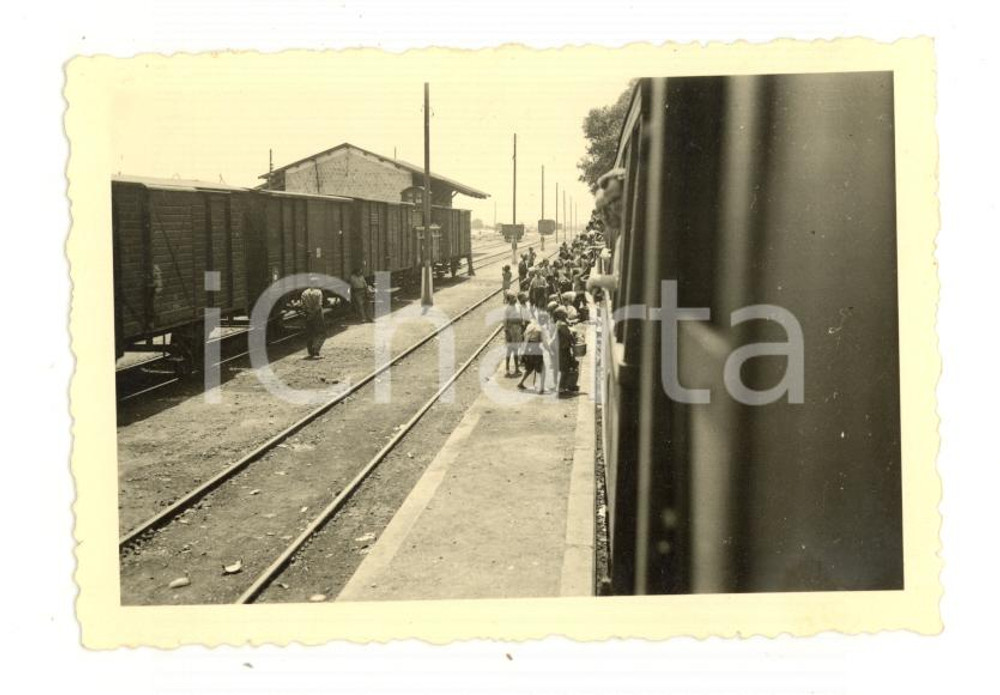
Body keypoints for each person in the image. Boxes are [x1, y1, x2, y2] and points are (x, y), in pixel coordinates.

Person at [518, 311, 550, 394]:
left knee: (529, 367)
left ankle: (520, 383)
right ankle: (541, 389)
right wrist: (550, 351)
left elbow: (524, 336)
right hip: (535, 349)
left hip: (527, 349)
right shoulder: (541, 329)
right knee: (543, 369)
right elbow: (545, 343)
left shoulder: (530, 325)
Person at [553, 306, 580, 397]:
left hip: (563, 348)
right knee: (565, 369)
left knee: (568, 366)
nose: (566, 313)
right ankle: (561, 388)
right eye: (564, 313)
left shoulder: (559, 322)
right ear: (561, 315)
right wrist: (574, 339)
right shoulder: (562, 325)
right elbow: (568, 335)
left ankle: (568, 385)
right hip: (563, 349)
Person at [300, 280, 326, 359]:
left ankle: (310, 352)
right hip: (317, 314)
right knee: (321, 333)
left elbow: (303, 305)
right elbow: (319, 305)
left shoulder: (304, 293)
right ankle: (316, 351)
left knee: (310, 333)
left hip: (308, 314)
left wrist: (309, 313)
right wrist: (314, 313)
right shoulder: (318, 292)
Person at [503, 293, 523, 377]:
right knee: (509, 350)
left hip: (517, 330)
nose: (514, 299)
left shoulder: (518, 306)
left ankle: (517, 368)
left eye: (514, 297)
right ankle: (507, 369)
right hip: (511, 330)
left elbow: (521, 317)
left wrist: (521, 327)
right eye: (512, 298)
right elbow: (505, 322)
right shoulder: (507, 309)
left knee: (516, 350)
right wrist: (507, 333)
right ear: (508, 300)